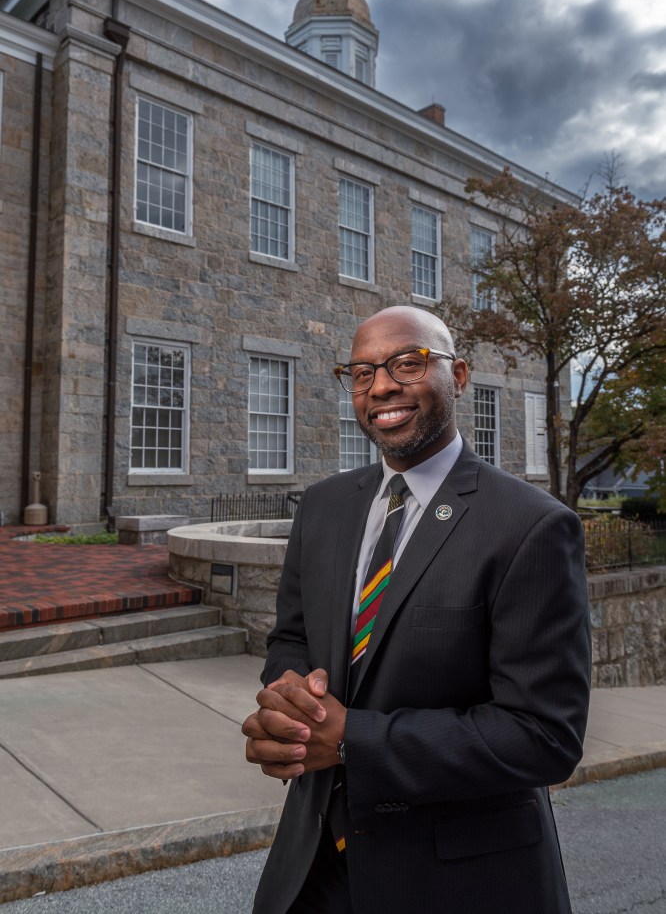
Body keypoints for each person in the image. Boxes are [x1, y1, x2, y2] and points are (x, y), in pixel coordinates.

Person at [242, 305, 591, 914]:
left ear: (457, 376)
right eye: (361, 372)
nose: (380, 386)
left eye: (408, 363)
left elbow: (543, 736)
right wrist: (292, 711)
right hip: (313, 867)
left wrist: (352, 738)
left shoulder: (529, 526)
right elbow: (291, 641)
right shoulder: (323, 508)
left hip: (459, 881)